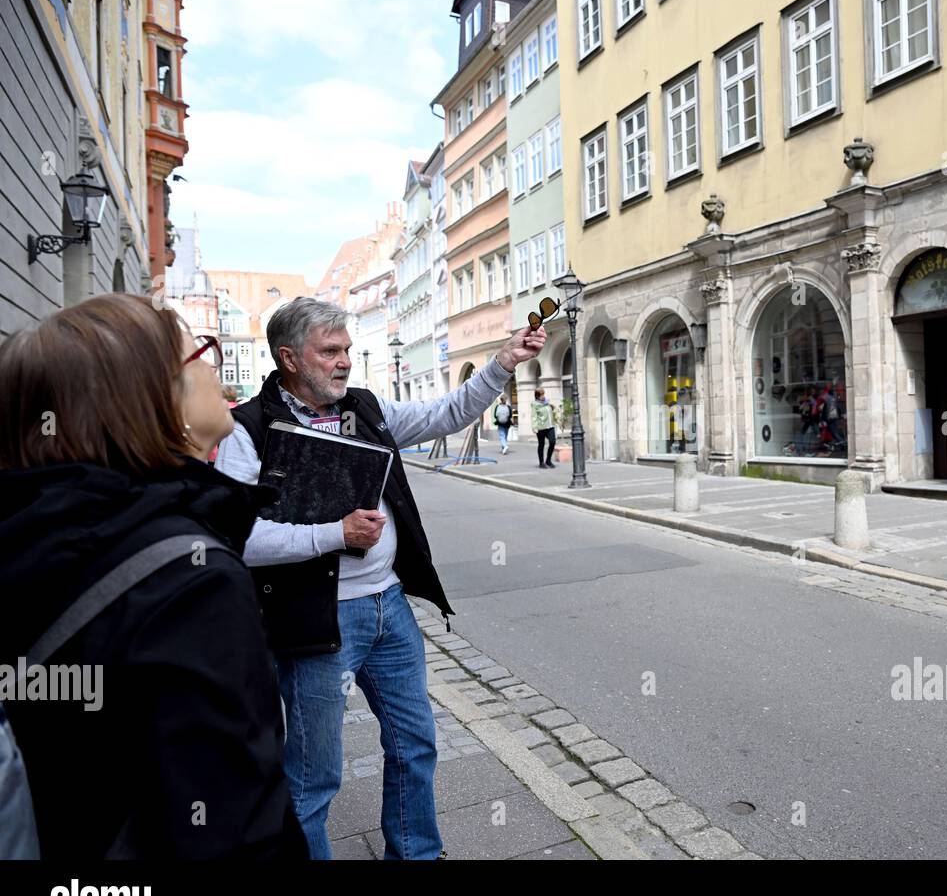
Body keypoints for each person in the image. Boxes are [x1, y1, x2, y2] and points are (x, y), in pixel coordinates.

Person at [215, 297, 545, 860]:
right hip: (317, 620)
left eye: (347, 350)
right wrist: (334, 534)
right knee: (315, 775)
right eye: (330, 351)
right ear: (289, 358)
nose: (344, 361)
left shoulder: (365, 408)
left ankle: (415, 853)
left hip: (388, 606)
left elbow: (445, 413)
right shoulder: (248, 430)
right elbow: (235, 538)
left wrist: (502, 363)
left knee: (414, 745)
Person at [0, 294, 307, 859]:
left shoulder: (39, 531)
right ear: (151, 398)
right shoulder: (188, 579)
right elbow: (231, 828)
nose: (215, 367)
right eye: (200, 355)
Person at [532, 388, 557, 469]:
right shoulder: (535, 405)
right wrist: (534, 427)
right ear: (537, 396)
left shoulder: (547, 403)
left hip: (550, 426)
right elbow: (534, 416)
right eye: (541, 395)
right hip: (541, 427)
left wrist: (551, 407)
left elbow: (550, 412)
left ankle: (548, 460)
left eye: (543, 394)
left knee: (552, 442)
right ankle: (541, 462)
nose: (543, 396)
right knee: (541, 444)